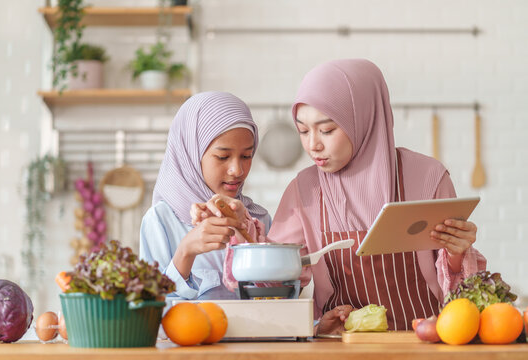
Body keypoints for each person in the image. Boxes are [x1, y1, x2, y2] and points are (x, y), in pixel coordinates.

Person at [195, 59, 486, 334]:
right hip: (341, 346)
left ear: (364, 119)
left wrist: (457, 252)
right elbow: (275, 275)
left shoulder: (427, 178)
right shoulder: (304, 190)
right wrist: (241, 228)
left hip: (424, 342)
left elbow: (461, 288)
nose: (313, 145)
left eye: (327, 130)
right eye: (303, 131)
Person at [140, 91, 271, 300]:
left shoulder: (258, 221)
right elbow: (147, 310)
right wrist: (185, 252)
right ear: (190, 153)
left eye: (246, 155)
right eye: (223, 156)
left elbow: (278, 302)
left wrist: (246, 234)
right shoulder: (160, 221)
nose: (237, 170)